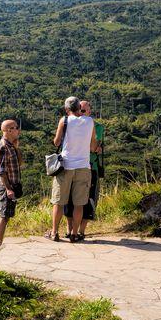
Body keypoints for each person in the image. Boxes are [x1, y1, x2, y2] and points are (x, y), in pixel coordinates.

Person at [48, 97, 98, 243]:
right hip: (83, 166)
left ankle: (54, 232)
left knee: (58, 201)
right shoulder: (90, 121)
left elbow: (56, 142)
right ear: (79, 108)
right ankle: (75, 234)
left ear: (66, 109)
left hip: (66, 166)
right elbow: (93, 146)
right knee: (79, 204)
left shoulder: (64, 120)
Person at [64, 100, 104, 240]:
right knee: (69, 199)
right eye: (78, 109)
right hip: (76, 165)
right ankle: (70, 229)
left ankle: (81, 230)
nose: (79, 113)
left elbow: (93, 147)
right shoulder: (70, 122)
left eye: (83, 110)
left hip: (90, 166)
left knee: (88, 199)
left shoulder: (96, 126)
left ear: (89, 112)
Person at [0, 118, 22, 250]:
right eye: (16, 128)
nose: (18, 130)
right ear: (9, 130)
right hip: (7, 186)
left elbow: (20, 163)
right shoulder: (3, 147)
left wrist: (17, 147)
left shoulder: (11, 145)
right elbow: (2, 171)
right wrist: (8, 189)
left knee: (7, 215)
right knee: (4, 216)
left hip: (12, 185)